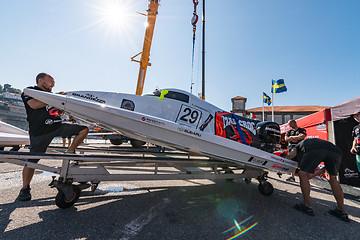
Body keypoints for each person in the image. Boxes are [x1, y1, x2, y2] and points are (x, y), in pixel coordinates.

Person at [18, 73, 89, 201]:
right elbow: (34, 105)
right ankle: (25, 188)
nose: (53, 84)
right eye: (51, 81)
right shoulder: (30, 91)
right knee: (32, 160)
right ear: (41, 81)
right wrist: (55, 98)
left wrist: (61, 104)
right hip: (40, 131)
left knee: (84, 129)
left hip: (57, 126)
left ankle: (69, 152)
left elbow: (58, 112)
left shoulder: (52, 95)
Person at [286, 138, 349, 222]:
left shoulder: (297, 146)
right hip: (336, 152)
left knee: (302, 174)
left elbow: (289, 156)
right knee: (332, 178)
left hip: (315, 148)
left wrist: (283, 164)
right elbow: (326, 167)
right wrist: (313, 175)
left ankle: (307, 206)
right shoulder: (317, 143)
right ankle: (341, 210)